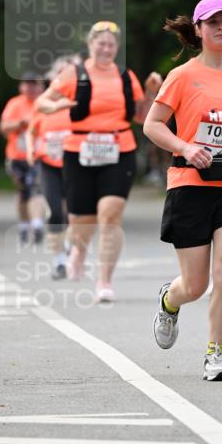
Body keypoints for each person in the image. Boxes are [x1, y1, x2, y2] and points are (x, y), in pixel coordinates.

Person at [143, 0, 222, 382]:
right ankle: (170, 299)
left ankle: (215, 353)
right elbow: (153, 125)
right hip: (190, 185)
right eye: (212, 21)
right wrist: (185, 147)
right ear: (197, 29)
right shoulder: (182, 76)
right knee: (195, 286)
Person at [36, 22, 162, 302]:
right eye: (100, 44)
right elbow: (41, 103)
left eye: (111, 44)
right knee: (82, 220)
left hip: (119, 149)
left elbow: (142, 116)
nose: (106, 49)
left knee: (110, 212)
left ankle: (104, 280)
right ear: (91, 45)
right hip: (79, 151)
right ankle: (79, 251)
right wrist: (55, 106)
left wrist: (152, 91)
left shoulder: (126, 76)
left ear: (116, 48)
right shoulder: (74, 73)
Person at [26, 56, 80, 279]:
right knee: (56, 211)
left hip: (74, 163)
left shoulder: (79, 103)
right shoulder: (44, 105)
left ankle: (70, 247)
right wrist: (30, 150)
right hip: (48, 164)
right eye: (59, 74)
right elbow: (31, 131)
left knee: (73, 213)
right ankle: (59, 261)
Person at [0, 72, 46, 245]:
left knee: (36, 187)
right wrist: (21, 123)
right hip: (16, 156)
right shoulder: (15, 103)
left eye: (34, 84)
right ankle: (24, 224)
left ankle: (37, 224)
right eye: (27, 84)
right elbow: (3, 128)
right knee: (23, 192)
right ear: (21, 86)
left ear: (41, 86)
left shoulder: (45, 103)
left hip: (37, 156)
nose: (31, 87)